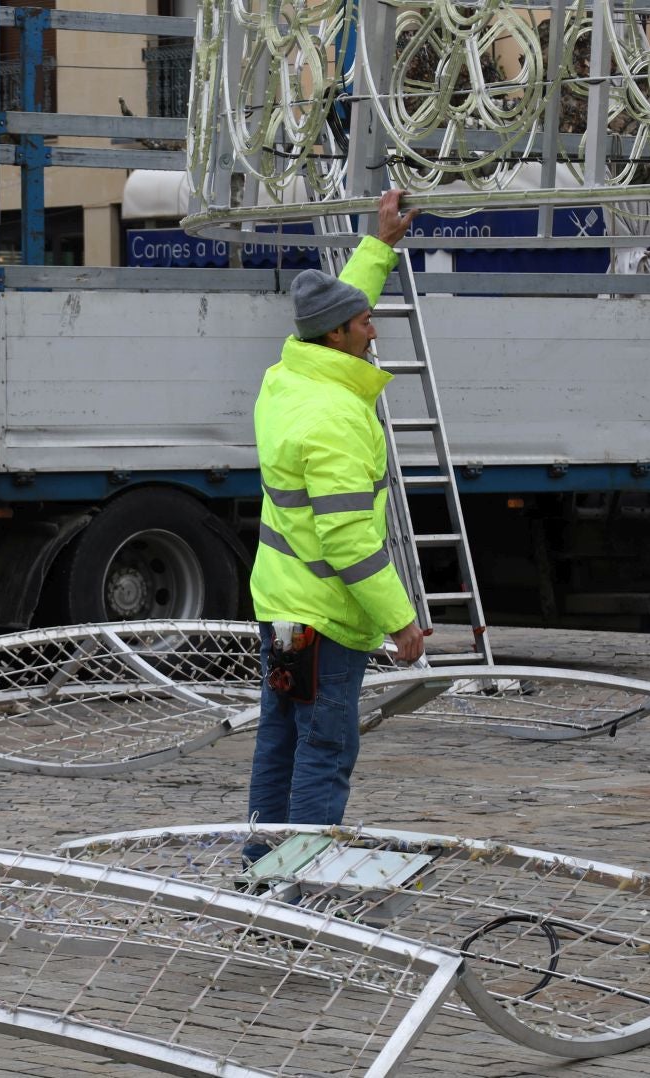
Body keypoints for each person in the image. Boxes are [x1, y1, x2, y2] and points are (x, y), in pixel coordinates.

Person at [244, 189, 426, 865]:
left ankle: (262, 876)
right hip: (325, 619)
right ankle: (305, 888)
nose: (373, 329)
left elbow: (336, 303)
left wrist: (379, 244)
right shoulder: (338, 418)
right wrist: (401, 621)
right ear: (337, 337)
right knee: (324, 749)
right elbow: (350, 541)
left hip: (286, 609)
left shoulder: (286, 380)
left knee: (280, 742)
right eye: (364, 324)